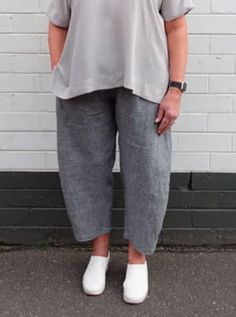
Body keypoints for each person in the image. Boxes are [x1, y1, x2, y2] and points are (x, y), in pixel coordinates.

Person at [47, 0, 194, 304]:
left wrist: (176, 89)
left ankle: (137, 259)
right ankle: (98, 255)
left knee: (146, 171)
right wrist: (60, 70)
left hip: (145, 80)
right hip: (82, 82)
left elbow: (176, 25)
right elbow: (58, 23)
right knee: (86, 168)